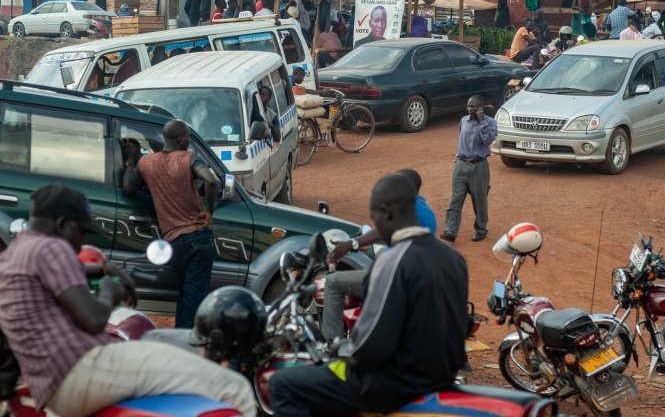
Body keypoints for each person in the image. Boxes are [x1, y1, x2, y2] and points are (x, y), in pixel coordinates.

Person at [0, 184, 254, 417]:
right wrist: (110, 292)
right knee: (234, 387)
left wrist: (104, 270)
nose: (82, 243)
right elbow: (93, 320)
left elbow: (57, 278)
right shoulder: (51, 247)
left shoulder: (17, 253)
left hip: (51, 383)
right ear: (63, 225)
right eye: (81, 232)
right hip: (82, 369)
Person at [269, 173, 468, 416]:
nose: (375, 223)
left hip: (396, 384)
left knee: (283, 385)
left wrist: (341, 349)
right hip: (441, 377)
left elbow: (372, 344)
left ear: (385, 212)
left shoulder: (392, 260)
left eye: (374, 216)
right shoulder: (454, 259)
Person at [122, 120, 218, 329]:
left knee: (184, 297)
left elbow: (129, 188)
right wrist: (208, 211)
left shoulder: (146, 164)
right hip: (198, 237)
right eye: (188, 139)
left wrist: (131, 160)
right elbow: (210, 180)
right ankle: (188, 344)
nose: (189, 142)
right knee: (193, 299)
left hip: (173, 243)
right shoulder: (188, 158)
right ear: (182, 139)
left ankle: (180, 340)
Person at [320, 168, 436, 342]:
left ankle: (331, 344)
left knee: (333, 282)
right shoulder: (425, 210)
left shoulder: (409, 207)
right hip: (413, 274)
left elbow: (382, 229)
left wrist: (352, 243)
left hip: (395, 278)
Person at [441, 96, 498, 243]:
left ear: (481, 108)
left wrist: (482, 122)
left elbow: (488, 140)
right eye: (468, 106)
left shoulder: (490, 123)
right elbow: (462, 139)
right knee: (455, 200)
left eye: (473, 107)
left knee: (479, 201)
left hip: (479, 166)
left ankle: (481, 229)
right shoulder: (463, 121)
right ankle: (450, 231)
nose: (470, 109)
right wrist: (458, 155)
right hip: (461, 164)